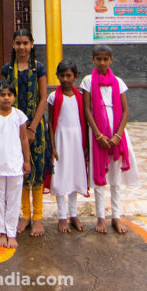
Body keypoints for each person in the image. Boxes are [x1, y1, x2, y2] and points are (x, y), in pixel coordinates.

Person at [81, 44, 139, 234]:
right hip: (98, 133)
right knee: (99, 175)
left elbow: (126, 111)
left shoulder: (118, 82)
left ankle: (116, 216)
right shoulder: (88, 81)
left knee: (115, 176)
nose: (102, 62)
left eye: (106, 59)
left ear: (111, 60)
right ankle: (100, 217)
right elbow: (87, 110)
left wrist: (118, 135)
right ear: (93, 60)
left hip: (117, 135)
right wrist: (97, 135)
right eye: (99, 59)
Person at [0, 29, 50, 237]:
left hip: (34, 128)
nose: (21, 47)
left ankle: (37, 216)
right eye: (18, 43)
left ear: (32, 45)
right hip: (12, 129)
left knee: (36, 170)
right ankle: (25, 214)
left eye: (25, 43)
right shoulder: (6, 69)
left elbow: (43, 98)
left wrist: (32, 127)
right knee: (19, 170)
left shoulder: (38, 68)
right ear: (13, 45)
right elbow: (3, 97)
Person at [0, 80, 30, 249]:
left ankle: (11, 232)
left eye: (9, 95)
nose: (6, 98)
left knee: (13, 200)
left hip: (15, 165)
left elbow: (24, 139)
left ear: (14, 97)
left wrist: (26, 160)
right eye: (2, 95)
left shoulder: (19, 116)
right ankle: (2, 231)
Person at [47, 60, 88, 233]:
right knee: (61, 176)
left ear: (75, 76)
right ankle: (62, 216)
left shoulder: (80, 96)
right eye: (62, 76)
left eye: (68, 76)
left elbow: (84, 121)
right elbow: (50, 122)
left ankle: (74, 214)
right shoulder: (53, 97)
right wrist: (53, 146)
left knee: (75, 175)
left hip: (77, 140)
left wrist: (85, 146)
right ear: (57, 76)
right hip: (61, 139)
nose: (65, 79)